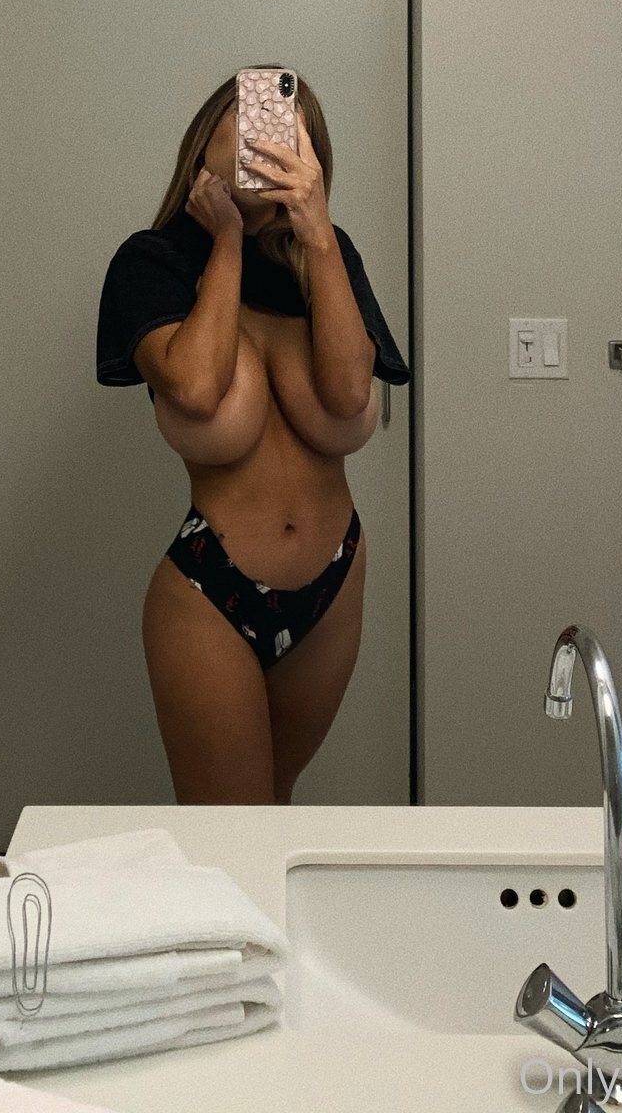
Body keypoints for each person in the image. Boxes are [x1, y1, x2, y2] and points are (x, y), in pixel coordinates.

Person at [95, 72, 409, 804]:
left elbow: (348, 393)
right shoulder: (152, 262)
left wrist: (318, 232)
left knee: (275, 811)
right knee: (230, 826)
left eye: (286, 127)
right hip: (213, 590)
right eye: (250, 118)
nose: (265, 139)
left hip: (336, 579)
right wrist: (228, 243)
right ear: (204, 135)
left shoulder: (329, 257)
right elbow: (196, 386)